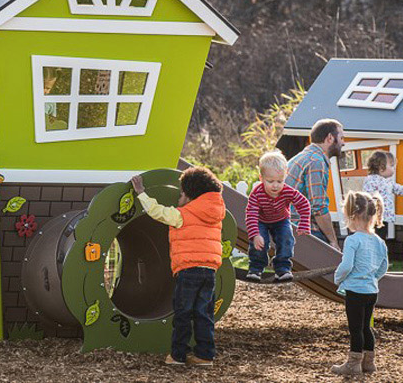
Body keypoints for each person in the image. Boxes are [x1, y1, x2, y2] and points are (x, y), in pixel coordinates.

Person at [131, 167, 224, 367]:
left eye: (181, 194)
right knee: (204, 313)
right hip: (209, 271)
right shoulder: (215, 215)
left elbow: (158, 213)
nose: (179, 197)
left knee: (183, 312)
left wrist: (141, 193)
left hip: (188, 270)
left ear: (191, 196)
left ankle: (178, 354)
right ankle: (205, 355)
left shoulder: (183, 214)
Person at [331, 191, 388, 376]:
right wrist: (371, 279)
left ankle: (353, 365)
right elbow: (383, 268)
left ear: (352, 216)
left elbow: (347, 265)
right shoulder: (379, 242)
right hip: (371, 291)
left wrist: (338, 278)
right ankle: (369, 364)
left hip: (355, 291)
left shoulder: (352, 240)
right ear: (373, 215)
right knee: (366, 327)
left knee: (355, 329)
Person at [245, 151, 311, 282]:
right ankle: (256, 268)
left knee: (286, 239)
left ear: (285, 177)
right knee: (259, 243)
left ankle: (282, 268)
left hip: (281, 220)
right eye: (270, 181)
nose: (275, 185)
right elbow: (251, 214)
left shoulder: (287, 191)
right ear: (261, 178)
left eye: (280, 181)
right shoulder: (257, 193)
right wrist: (255, 234)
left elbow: (304, 204)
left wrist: (304, 223)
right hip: (261, 220)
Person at [286, 118, 345, 250]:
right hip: (296, 227)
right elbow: (319, 208)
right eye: (341, 138)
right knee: (332, 260)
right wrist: (334, 242)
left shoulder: (304, 156)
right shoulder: (316, 162)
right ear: (330, 138)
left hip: (287, 223)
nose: (344, 143)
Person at [362, 150, 403, 240]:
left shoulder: (387, 182)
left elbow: (398, 188)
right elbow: (367, 196)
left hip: (383, 218)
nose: (394, 168)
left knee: (381, 237)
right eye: (392, 166)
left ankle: (378, 251)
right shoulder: (371, 180)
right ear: (381, 168)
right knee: (374, 237)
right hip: (374, 217)